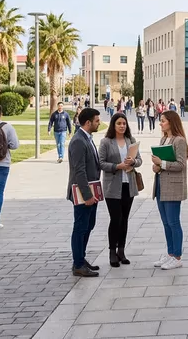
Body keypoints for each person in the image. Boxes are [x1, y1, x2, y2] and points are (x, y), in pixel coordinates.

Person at [98, 113, 143, 267]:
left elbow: (140, 161)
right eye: (119, 123)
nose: (122, 126)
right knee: (115, 219)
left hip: (128, 185)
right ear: (113, 125)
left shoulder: (131, 141)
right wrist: (117, 166)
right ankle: (112, 251)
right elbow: (101, 163)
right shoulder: (106, 142)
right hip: (112, 186)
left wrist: (134, 161)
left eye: (124, 123)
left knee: (124, 219)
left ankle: (121, 250)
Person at [151, 110, 188, 270]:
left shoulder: (179, 141)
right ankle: (170, 253)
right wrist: (157, 167)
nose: (160, 123)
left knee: (173, 222)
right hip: (161, 183)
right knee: (166, 222)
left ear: (171, 122)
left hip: (173, 186)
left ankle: (177, 256)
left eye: (163, 121)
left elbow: (181, 164)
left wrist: (162, 163)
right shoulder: (163, 139)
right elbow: (162, 163)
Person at [67, 108, 103, 277]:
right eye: (96, 121)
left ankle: (81, 258)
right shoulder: (78, 141)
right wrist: (87, 196)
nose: (99, 123)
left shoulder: (87, 138)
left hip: (92, 190)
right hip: (83, 193)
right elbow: (79, 171)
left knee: (88, 225)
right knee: (80, 227)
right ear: (88, 122)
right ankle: (78, 264)